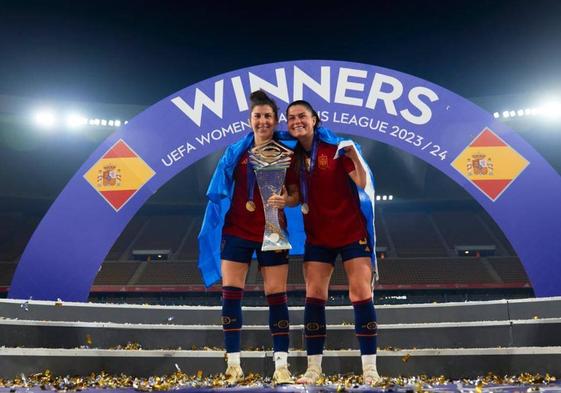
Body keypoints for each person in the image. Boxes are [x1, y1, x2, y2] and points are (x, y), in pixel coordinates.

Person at [198, 91, 299, 385]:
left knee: (277, 298)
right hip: (237, 231)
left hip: (273, 231)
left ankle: (282, 366)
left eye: (268, 116)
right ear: (250, 120)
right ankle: (233, 365)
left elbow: (295, 194)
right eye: (258, 116)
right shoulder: (236, 153)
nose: (263, 121)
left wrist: (287, 201)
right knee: (231, 295)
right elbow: (221, 188)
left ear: (275, 120)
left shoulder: (288, 154)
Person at [286, 100, 381, 385]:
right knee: (314, 296)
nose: (296, 121)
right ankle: (313, 369)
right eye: (290, 118)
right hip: (318, 235)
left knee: (361, 293)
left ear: (315, 119)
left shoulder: (338, 148)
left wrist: (355, 156)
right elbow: (294, 195)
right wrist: (280, 198)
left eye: (302, 116)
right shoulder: (290, 158)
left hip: (352, 231)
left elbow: (363, 182)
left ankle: (370, 370)